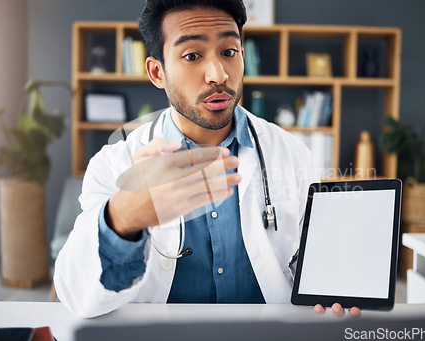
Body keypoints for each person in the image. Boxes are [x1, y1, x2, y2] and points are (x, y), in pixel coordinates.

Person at [54, 0, 360, 319]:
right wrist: (123, 217)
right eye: (192, 55)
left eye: (228, 52)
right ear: (157, 72)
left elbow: (311, 263)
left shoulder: (292, 154)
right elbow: (78, 296)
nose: (218, 74)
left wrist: (333, 287)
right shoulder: (115, 165)